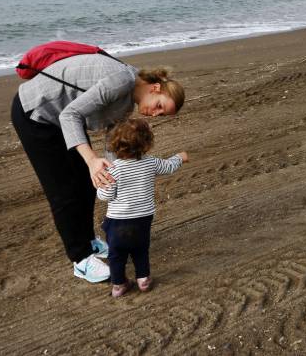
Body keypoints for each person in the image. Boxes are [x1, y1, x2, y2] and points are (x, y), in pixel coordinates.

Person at [10, 53, 185, 283]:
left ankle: (89, 240)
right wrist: (92, 160)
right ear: (154, 88)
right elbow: (69, 115)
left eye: (161, 114)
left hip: (62, 121)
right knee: (64, 191)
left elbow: (113, 139)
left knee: (87, 182)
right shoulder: (122, 80)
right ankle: (80, 259)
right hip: (35, 115)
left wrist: (115, 172)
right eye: (159, 106)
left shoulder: (128, 102)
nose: (155, 114)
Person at [97, 118, 188, 298]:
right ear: (146, 144)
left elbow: (105, 195)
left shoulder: (114, 170)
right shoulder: (150, 162)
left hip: (118, 222)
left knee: (117, 255)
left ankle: (118, 285)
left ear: (114, 146)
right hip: (142, 220)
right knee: (140, 250)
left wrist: (100, 188)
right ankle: (143, 279)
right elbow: (168, 166)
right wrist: (180, 157)